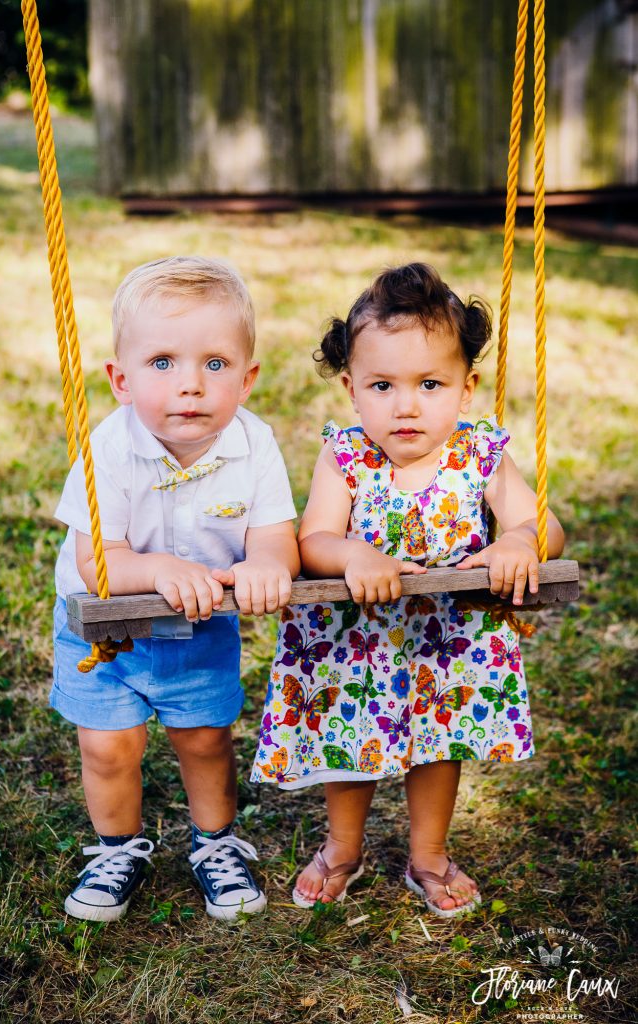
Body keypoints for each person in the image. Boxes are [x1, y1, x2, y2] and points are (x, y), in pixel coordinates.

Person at [251, 262, 564, 918]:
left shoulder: (479, 453)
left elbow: (543, 527)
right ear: (351, 388)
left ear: (466, 387)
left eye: (429, 383)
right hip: (355, 639)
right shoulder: (345, 455)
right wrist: (354, 554)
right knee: (348, 734)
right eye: (382, 385)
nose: (407, 404)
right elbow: (314, 540)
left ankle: (428, 854)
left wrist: (515, 542)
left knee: (440, 742)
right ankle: (343, 847)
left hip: (447, 641)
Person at [52, 256, 299, 922]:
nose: (190, 385)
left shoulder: (255, 446)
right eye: (162, 362)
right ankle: (116, 848)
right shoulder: (109, 446)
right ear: (120, 379)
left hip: (199, 626)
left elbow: (275, 536)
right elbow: (97, 558)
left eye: (214, 365)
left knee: (205, 738)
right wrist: (159, 568)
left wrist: (265, 565)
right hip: (107, 631)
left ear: (247, 379)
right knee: (109, 744)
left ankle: (216, 844)